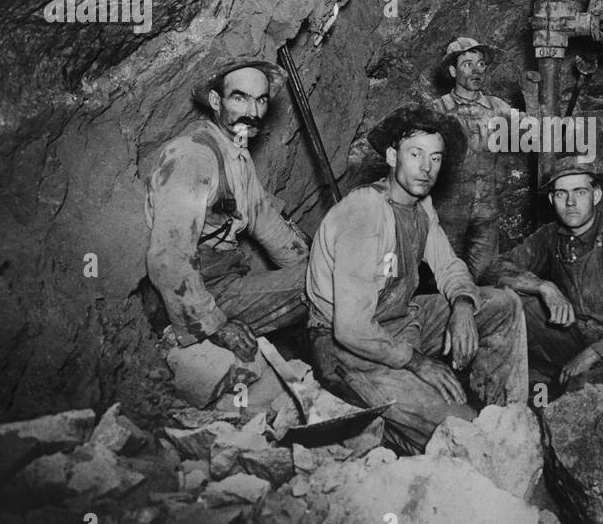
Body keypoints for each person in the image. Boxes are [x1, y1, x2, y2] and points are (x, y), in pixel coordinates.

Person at [306, 104, 529, 454]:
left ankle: (507, 418)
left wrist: (463, 305)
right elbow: (350, 328)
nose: (427, 168)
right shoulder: (365, 211)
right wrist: (417, 363)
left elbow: (449, 265)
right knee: (462, 432)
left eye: (436, 158)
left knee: (504, 304)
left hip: (400, 321)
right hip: (349, 348)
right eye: (416, 154)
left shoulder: (420, 205)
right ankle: (384, 430)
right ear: (394, 156)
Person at [145, 55, 310, 407]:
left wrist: (317, 261)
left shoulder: (235, 153)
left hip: (226, 280)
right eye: (240, 98)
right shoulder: (193, 158)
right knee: (331, 283)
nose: (252, 110)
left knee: (328, 275)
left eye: (261, 100)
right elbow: (169, 257)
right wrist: (216, 324)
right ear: (217, 101)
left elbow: (266, 222)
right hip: (199, 295)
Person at [483, 157, 603, 400]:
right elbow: (494, 269)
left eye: (580, 192)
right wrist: (543, 287)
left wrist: (591, 354)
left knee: (585, 393)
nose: (570, 202)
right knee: (506, 304)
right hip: (575, 333)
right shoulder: (550, 235)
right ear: (551, 199)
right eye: (561, 194)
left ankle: (565, 384)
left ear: (596, 195)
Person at [431, 37, 518, 280]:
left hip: (487, 212)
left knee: (487, 277)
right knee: (445, 279)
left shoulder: (498, 108)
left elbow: (533, 129)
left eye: (481, 64)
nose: (476, 70)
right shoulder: (438, 111)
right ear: (452, 70)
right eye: (468, 64)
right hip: (448, 213)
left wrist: (531, 95)